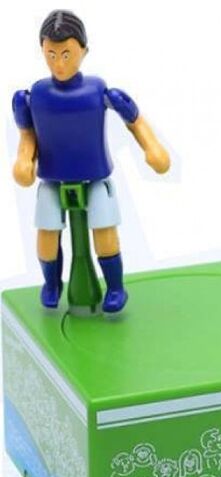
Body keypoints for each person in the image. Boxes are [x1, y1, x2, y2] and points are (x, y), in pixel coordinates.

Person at [12, 10, 170, 312]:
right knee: (46, 232)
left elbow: (135, 120)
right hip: (52, 178)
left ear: (84, 50)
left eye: (67, 54)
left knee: (104, 228)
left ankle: (115, 287)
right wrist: (24, 160)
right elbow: (27, 135)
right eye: (51, 55)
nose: (59, 64)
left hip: (94, 176)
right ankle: (51, 283)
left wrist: (153, 148)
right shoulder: (34, 96)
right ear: (42, 51)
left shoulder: (99, 91)